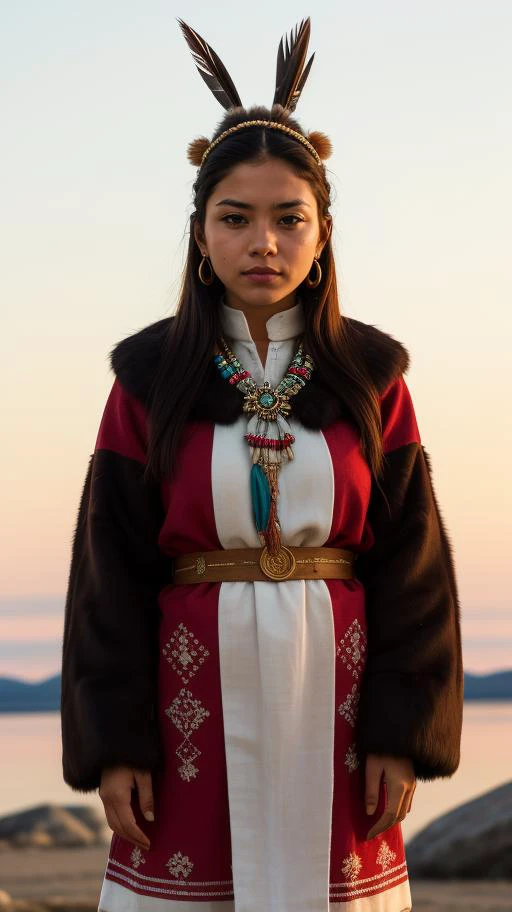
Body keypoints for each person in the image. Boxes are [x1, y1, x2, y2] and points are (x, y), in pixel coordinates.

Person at [60, 17, 463, 912]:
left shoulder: (373, 379)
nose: (264, 243)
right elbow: (109, 575)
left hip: (341, 700)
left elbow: (415, 569)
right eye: (235, 219)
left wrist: (406, 727)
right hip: (187, 695)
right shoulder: (147, 382)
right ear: (200, 233)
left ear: (323, 235)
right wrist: (114, 742)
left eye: (290, 219)